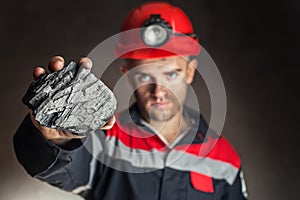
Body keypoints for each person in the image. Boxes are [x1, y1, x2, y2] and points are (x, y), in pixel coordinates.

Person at [13, 2, 247, 200]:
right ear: (128, 75)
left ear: (190, 71)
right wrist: (54, 139)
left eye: (171, 74)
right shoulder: (105, 142)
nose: (159, 91)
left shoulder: (224, 160)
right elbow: (53, 168)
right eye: (145, 76)